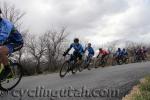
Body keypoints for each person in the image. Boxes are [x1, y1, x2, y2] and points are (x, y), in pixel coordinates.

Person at [0, 9, 24, 80]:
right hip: (6, 42)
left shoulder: (6, 24)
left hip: (16, 42)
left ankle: (8, 70)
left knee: (0, 50)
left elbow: (2, 36)